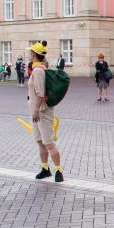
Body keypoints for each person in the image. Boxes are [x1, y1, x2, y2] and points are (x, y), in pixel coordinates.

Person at [27, 41, 64, 183]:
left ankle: (59, 170)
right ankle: (45, 168)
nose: (30, 55)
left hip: (41, 111)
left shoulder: (38, 71)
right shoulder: (38, 69)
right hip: (36, 111)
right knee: (40, 142)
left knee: (48, 142)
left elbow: (41, 94)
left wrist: (36, 111)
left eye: (31, 53)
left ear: (35, 55)